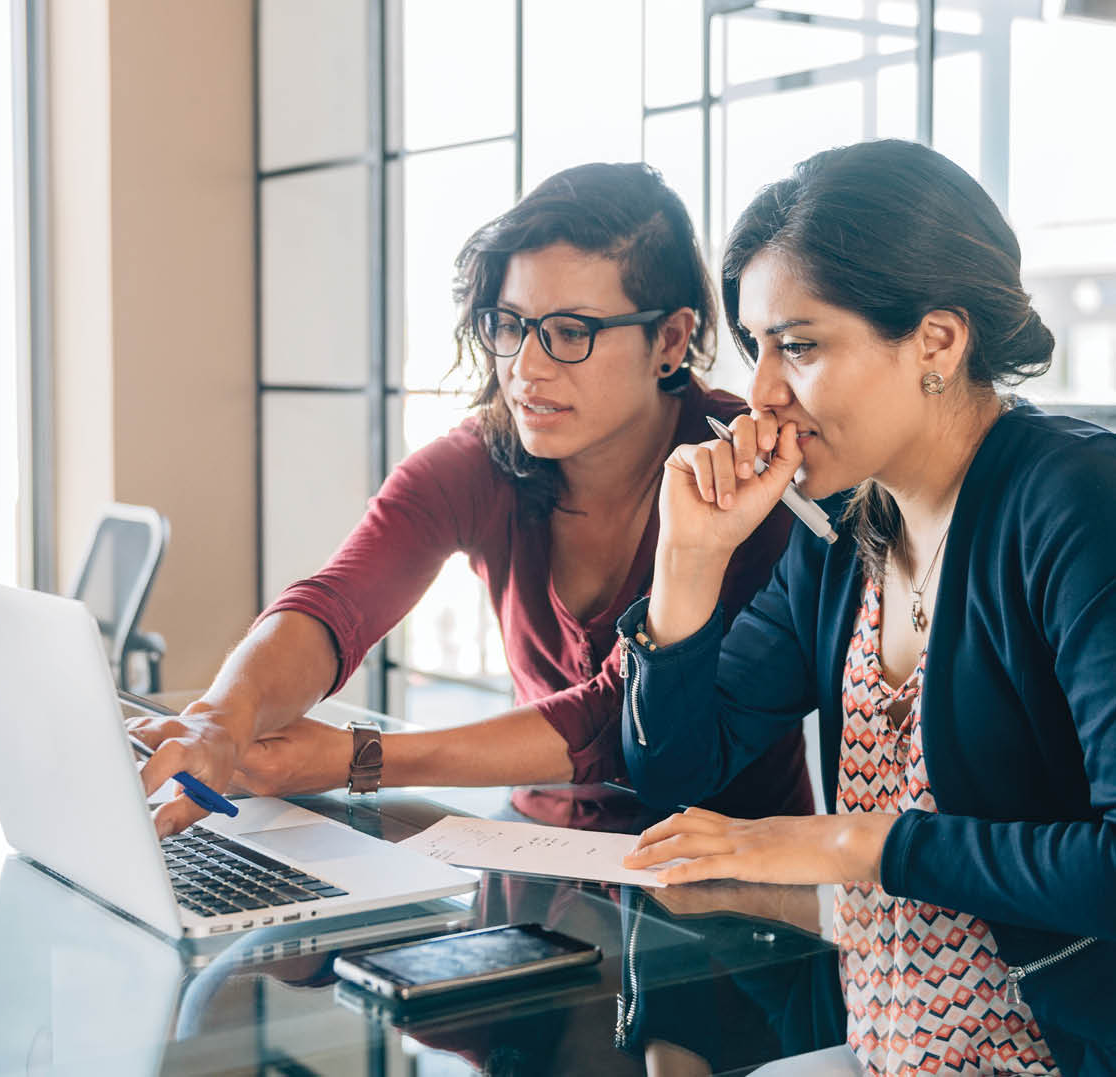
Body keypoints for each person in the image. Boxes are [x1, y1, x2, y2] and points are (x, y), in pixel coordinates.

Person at [618, 140, 1115, 1073]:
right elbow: (674, 768)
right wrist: (687, 560)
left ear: (937, 342)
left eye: (799, 346)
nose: (761, 394)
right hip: (879, 1050)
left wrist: (853, 841)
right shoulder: (847, 531)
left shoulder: (1077, 505)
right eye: (757, 347)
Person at [131, 162, 811, 837]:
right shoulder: (484, 457)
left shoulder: (746, 471)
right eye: (509, 324)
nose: (525, 368)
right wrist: (221, 718)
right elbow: (337, 602)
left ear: (669, 339)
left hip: (731, 871)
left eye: (571, 332)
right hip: (533, 844)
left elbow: (615, 720)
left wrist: (359, 758)